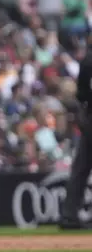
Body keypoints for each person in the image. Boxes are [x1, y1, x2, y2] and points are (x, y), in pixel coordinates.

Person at [61, 36, 92, 230]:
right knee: (80, 169)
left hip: (89, 119)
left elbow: (80, 94)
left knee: (80, 170)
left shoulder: (87, 60)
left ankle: (69, 217)